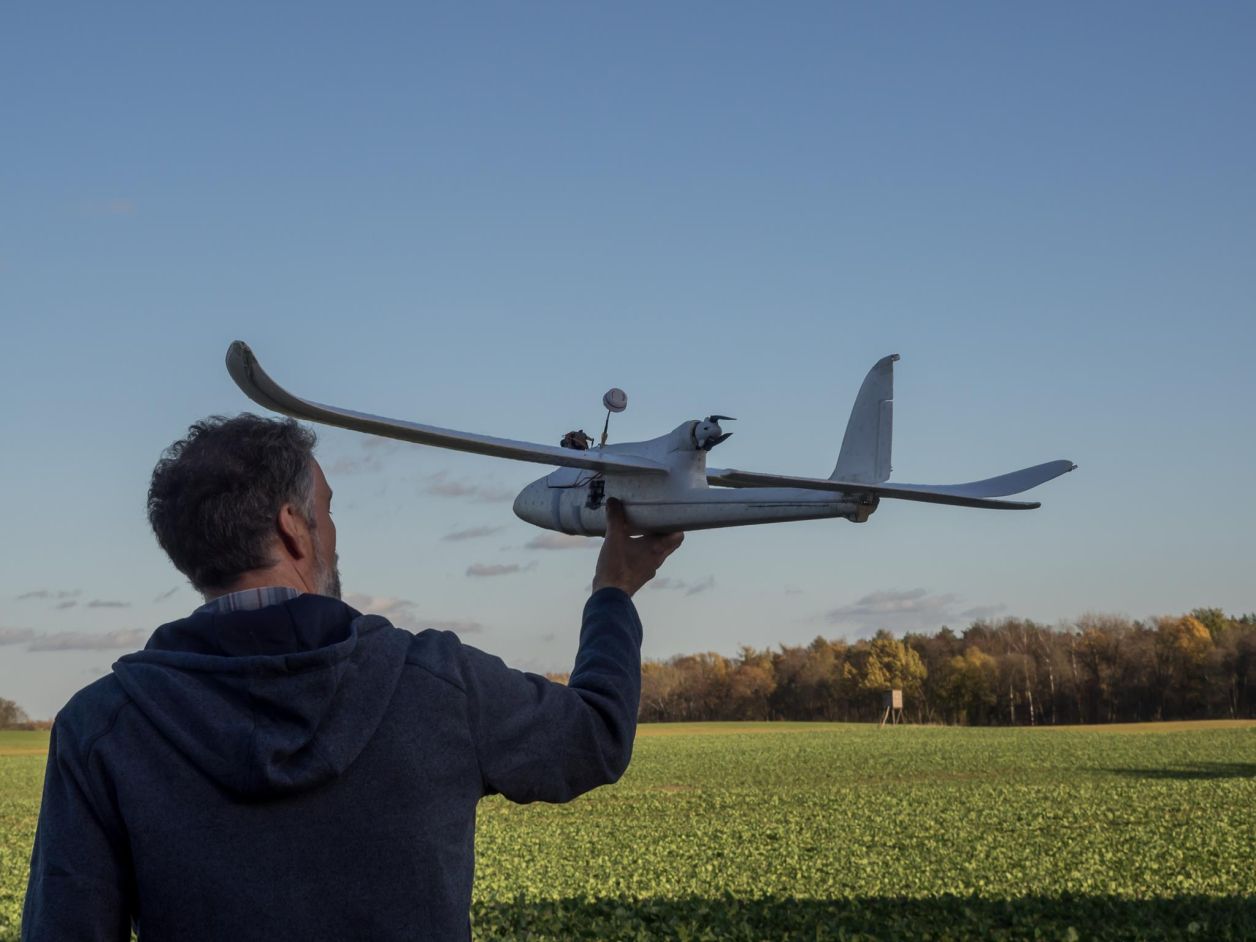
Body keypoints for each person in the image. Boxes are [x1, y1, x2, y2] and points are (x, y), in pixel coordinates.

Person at [21, 414, 683, 941]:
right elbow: (594, 737)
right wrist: (613, 592)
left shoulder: (100, 728)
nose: (334, 532)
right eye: (328, 510)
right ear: (293, 527)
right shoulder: (438, 682)